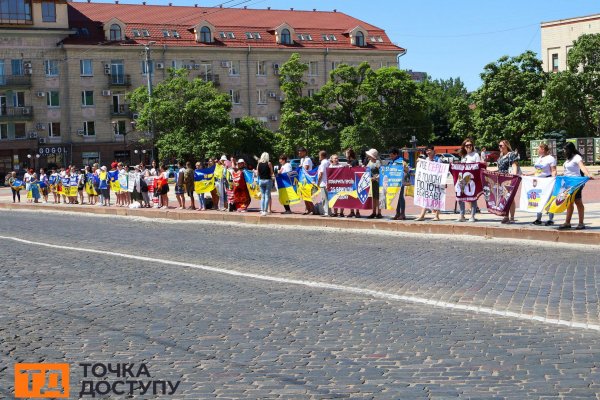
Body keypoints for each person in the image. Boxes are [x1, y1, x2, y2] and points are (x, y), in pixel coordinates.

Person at [558, 142, 594, 230]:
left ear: (570, 149)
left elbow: (582, 167)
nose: (564, 151)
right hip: (568, 183)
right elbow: (568, 171)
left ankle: (581, 223)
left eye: (565, 149)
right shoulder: (568, 159)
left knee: (578, 202)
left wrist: (588, 174)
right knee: (569, 202)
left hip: (576, 183)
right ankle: (567, 222)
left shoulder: (577, 157)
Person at [531, 143, 557, 226]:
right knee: (538, 199)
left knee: (549, 199)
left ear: (543, 149)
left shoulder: (550, 158)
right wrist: (528, 174)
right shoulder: (539, 158)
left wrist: (553, 179)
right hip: (539, 181)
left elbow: (553, 170)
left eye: (538, 149)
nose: (537, 150)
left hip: (547, 180)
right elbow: (537, 170)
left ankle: (550, 219)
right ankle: (538, 218)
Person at [457, 138, 481, 223]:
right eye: (467, 145)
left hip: (472, 180)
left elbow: (479, 167)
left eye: (470, 145)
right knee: (460, 196)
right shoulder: (463, 156)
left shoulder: (476, 155)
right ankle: (462, 215)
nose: (469, 147)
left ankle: (472, 216)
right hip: (463, 179)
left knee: (472, 197)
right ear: (464, 146)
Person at [415, 146, 442, 221]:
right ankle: (422, 215)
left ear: (433, 151)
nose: (428, 152)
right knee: (425, 198)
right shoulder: (425, 160)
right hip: (427, 182)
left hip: (436, 182)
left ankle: (437, 216)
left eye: (429, 150)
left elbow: (442, 170)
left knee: (437, 198)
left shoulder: (438, 160)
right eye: (427, 151)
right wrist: (418, 163)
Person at [497, 139, 519, 224]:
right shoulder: (501, 156)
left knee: (510, 197)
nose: (500, 147)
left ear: (506, 146)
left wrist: (514, 177)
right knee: (504, 198)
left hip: (509, 179)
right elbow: (500, 168)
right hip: (501, 179)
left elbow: (514, 166)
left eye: (501, 145)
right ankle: (506, 216)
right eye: (499, 146)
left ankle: (512, 217)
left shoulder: (511, 155)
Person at [389, 148, 408, 220]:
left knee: (400, 198)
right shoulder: (392, 162)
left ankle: (402, 214)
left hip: (400, 182)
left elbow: (407, 170)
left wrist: (405, 167)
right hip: (393, 182)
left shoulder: (401, 161)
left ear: (396, 154)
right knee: (396, 198)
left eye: (392, 155)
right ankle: (397, 213)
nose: (391, 157)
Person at [365, 148, 382, 219]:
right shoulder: (369, 162)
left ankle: (379, 213)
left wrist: (376, 177)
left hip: (377, 182)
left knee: (378, 197)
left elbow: (381, 171)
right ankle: (374, 212)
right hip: (372, 182)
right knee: (373, 197)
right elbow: (367, 170)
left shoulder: (377, 162)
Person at [298, 146, 315, 215]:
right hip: (302, 179)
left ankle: (312, 209)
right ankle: (308, 209)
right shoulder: (302, 159)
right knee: (304, 196)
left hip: (308, 180)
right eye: (299, 153)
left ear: (304, 152)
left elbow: (306, 169)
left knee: (307, 195)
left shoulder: (307, 159)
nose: (299, 154)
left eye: (300, 153)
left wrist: (301, 167)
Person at [345, 148, 361, 218]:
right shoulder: (348, 161)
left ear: (349, 154)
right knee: (350, 196)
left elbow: (356, 169)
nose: (345, 155)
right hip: (349, 181)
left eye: (346, 153)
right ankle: (352, 211)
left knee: (356, 196)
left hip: (355, 181)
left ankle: (357, 212)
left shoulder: (355, 161)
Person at [316, 150, 331, 217]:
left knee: (324, 198)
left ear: (321, 156)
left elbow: (321, 173)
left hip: (323, 182)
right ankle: (329, 211)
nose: (319, 157)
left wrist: (318, 182)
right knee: (328, 198)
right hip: (327, 182)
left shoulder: (323, 163)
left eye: (319, 156)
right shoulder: (328, 162)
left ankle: (326, 212)